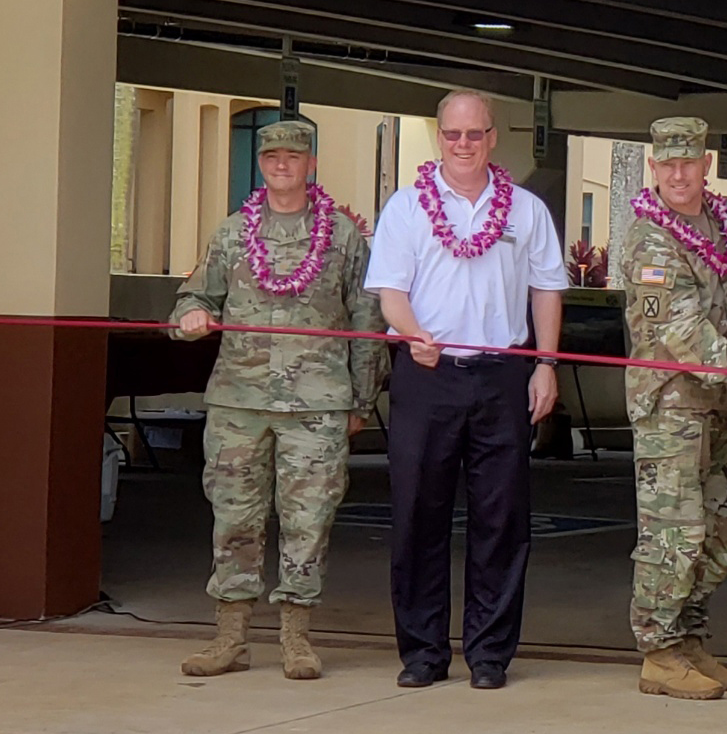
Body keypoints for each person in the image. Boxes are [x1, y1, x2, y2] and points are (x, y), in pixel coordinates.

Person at [172, 120, 387, 681]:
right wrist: (190, 316)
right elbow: (194, 295)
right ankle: (230, 637)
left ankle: (296, 636)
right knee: (233, 518)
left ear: (311, 164)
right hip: (239, 402)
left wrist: (361, 400)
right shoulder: (231, 233)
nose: (282, 165)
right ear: (261, 165)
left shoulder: (342, 236)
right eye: (272, 158)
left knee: (308, 520)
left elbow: (367, 321)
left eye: (294, 156)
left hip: (317, 404)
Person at [366, 90, 565, 690]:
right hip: (427, 375)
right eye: (452, 135)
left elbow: (546, 290)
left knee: (502, 520)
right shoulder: (406, 208)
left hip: (502, 375)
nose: (462, 145)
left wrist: (546, 364)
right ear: (439, 136)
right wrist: (412, 333)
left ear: (492, 137)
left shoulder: (526, 210)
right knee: (418, 515)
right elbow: (390, 293)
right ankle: (423, 654)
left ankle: (489, 655)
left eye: (474, 135)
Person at [620, 116, 727, 701]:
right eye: (667, 164)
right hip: (672, 409)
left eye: (688, 163)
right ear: (654, 168)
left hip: (720, 404)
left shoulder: (718, 227)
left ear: (705, 166)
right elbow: (677, 328)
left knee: (719, 530)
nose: (678, 174)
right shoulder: (648, 239)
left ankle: (691, 638)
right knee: (673, 532)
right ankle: (659, 650)